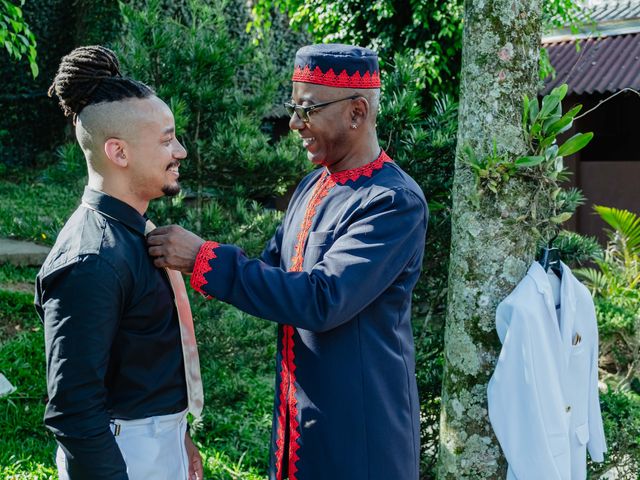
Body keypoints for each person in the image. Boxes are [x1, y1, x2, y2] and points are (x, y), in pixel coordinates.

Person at [147, 43, 428, 480]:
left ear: (356, 112)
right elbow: (273, 278)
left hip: (361, 439)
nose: (295, 124)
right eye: (293, 108)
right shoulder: (312, 185)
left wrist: (204, 258)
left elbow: (322, 300)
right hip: (297, 424)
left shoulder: (392, 202)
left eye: (308, 110)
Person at [36, 45, 204, 480]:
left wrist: (180, 440)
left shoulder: (136, 233)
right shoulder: (91, 260)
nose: (180, 151)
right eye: (167, 139)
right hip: (123, 460)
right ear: (119, 152)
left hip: (158, 449)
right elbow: (74, 411)